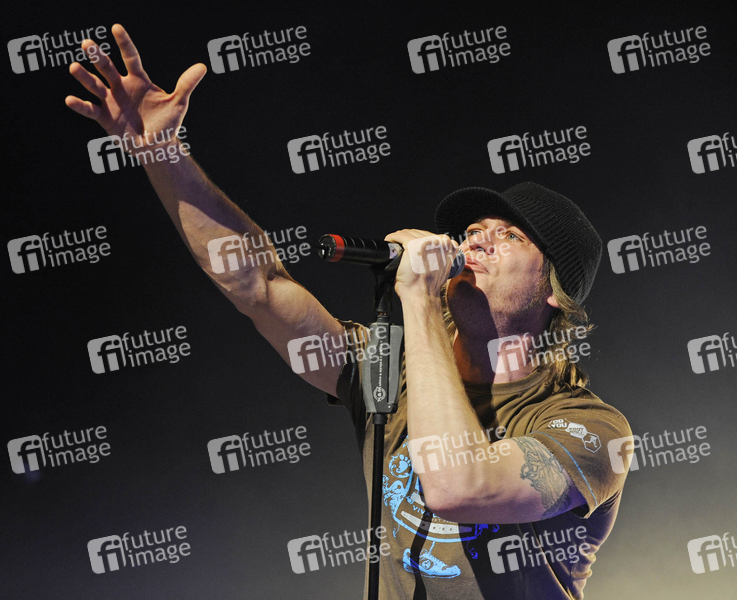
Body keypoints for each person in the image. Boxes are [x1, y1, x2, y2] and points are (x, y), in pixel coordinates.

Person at [65, 24, 632, 599]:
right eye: (474, 229)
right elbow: (258, 286)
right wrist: (164, 155)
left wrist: (417, 298)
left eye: (509, 236)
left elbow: (459, 485)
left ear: (556, 291)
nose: (477, 240)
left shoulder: (591, 429)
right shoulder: (387, 367)